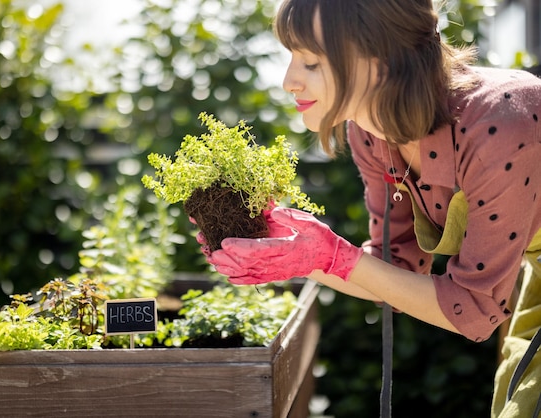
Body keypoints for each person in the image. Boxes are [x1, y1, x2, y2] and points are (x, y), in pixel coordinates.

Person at [198, 0, 541, 416]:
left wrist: (330, 255)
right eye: (293, 57)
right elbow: (392, 272)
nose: (289, 81)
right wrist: (296, 256)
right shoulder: (369, 133)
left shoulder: (502, 122)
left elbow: (473, 310)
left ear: (379, 60)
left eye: (312, 62)